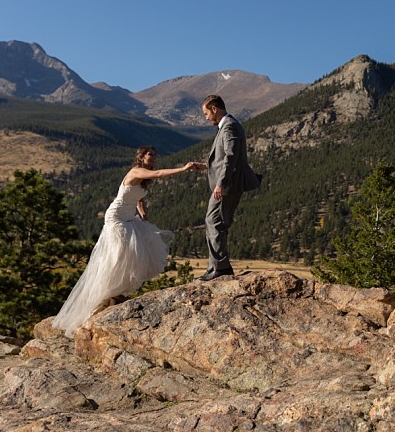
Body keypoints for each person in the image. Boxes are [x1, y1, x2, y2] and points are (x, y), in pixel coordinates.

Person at [52, 146, 197, 336]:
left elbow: (137, 197)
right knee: (119, 255)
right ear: (142, 157)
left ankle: (116, 291)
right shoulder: (136, 171)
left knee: (133, 254)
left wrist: (142, 210)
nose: (153, 158)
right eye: (150, 155)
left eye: (155, 155)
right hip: (117, 218)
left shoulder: (142, 178)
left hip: (128, 218)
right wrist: (184, 168)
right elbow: (160, 174)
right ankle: (104, 294)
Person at [192, 94, 261, 281]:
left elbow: (231, 158)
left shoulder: (229, 126)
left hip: (228, 184)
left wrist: (221, 184)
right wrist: (206, 166)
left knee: (214, 221)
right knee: (215, 222)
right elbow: (224, 158)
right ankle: (215, 266)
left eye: (206, 113)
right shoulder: (227, 126)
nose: (206, 117)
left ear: (215, 109)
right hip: (228, 183)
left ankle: (221, 268)